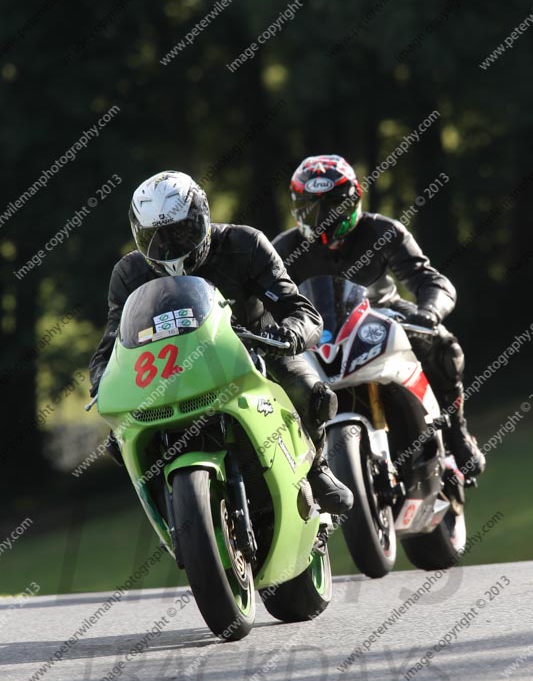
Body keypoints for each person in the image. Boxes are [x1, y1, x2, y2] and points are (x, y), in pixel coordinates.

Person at [88, 170, 353, 515]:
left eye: (180, 231)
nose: (169, 247)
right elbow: (110, 344)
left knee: (312, 392)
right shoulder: (129, 274)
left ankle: (316, 467)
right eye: (155, 237)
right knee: (119, 436)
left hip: (255, 346)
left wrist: (287, 334)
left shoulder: (246, 244)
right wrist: (101, 381)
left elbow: (302, 311)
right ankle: (169, 506)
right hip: (167, 370)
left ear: (202, 218)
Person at [272, 154, 485, 478]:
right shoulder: (283, 250)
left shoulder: (383, 231)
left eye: (334, 204)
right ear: (297, 206)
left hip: (380, 312)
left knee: (443, 345)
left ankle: (457, 434)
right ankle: (305, 477)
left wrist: (430, 312)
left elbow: (429, 280)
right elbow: (262, 300)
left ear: (355, 198)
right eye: (312, 206)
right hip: (316, 329)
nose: (325, 216)